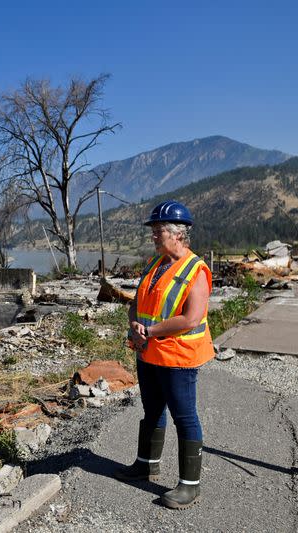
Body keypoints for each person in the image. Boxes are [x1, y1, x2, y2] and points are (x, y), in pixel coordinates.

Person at [116, 200, 215, 510]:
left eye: (158, 230)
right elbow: (137, 301)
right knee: (152, 410)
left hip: (178, 357)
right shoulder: (155, 264)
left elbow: (191, 318)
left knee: (184, 417)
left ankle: (189, 486)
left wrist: (151, 331)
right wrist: (134, 323)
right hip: (149, 353)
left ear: (178, 234)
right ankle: (146, 464)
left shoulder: (195, 269)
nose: (154, 236)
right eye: (154, 231)